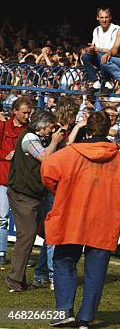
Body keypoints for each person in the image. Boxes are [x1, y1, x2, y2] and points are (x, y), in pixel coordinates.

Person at [41, 111, 120, 327]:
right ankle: (85, 318)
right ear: (107, 128)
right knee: (96, 271)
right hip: (103, 218)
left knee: (64, 261)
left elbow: (47, 171)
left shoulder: (71, 153)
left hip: (72, 216)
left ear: (87, 129)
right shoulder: (118, 158)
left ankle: (64, 311)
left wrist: (61, 191)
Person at [5, 110, 62, 292]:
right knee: (27, 235)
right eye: (50, 128)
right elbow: (45, 158)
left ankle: (20, 279)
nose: (52, 131)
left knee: (33, 235)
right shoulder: (29, 139)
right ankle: (15, 280)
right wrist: (54, 142)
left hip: (32, 195)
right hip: (23, 194)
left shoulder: (35, 137)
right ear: (42, 126)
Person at [0, 96, 32, 266]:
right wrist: (4, 156)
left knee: (23, 222)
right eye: (24, 112)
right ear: (15, 111)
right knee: (2, 217)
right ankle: (1, 251)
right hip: (4, 178)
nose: (27, 115)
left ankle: (21, 256)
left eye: (29, 112)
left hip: (21, 180)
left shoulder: (29, 130)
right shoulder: (3, 126)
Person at [81, 7, 120, 92]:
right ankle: (95, 82)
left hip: (114, 59)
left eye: (106, 17)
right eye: (101, 17)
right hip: (101, 58)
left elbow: (113, 50)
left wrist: (98, 49)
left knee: (102, 55)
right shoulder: (96, 30)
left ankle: (107, 82)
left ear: (110, 17)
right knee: (85, 56)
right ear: (97, 18)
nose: (104, 20)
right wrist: (91, 50)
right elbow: (95, 49)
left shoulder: (116, 29)